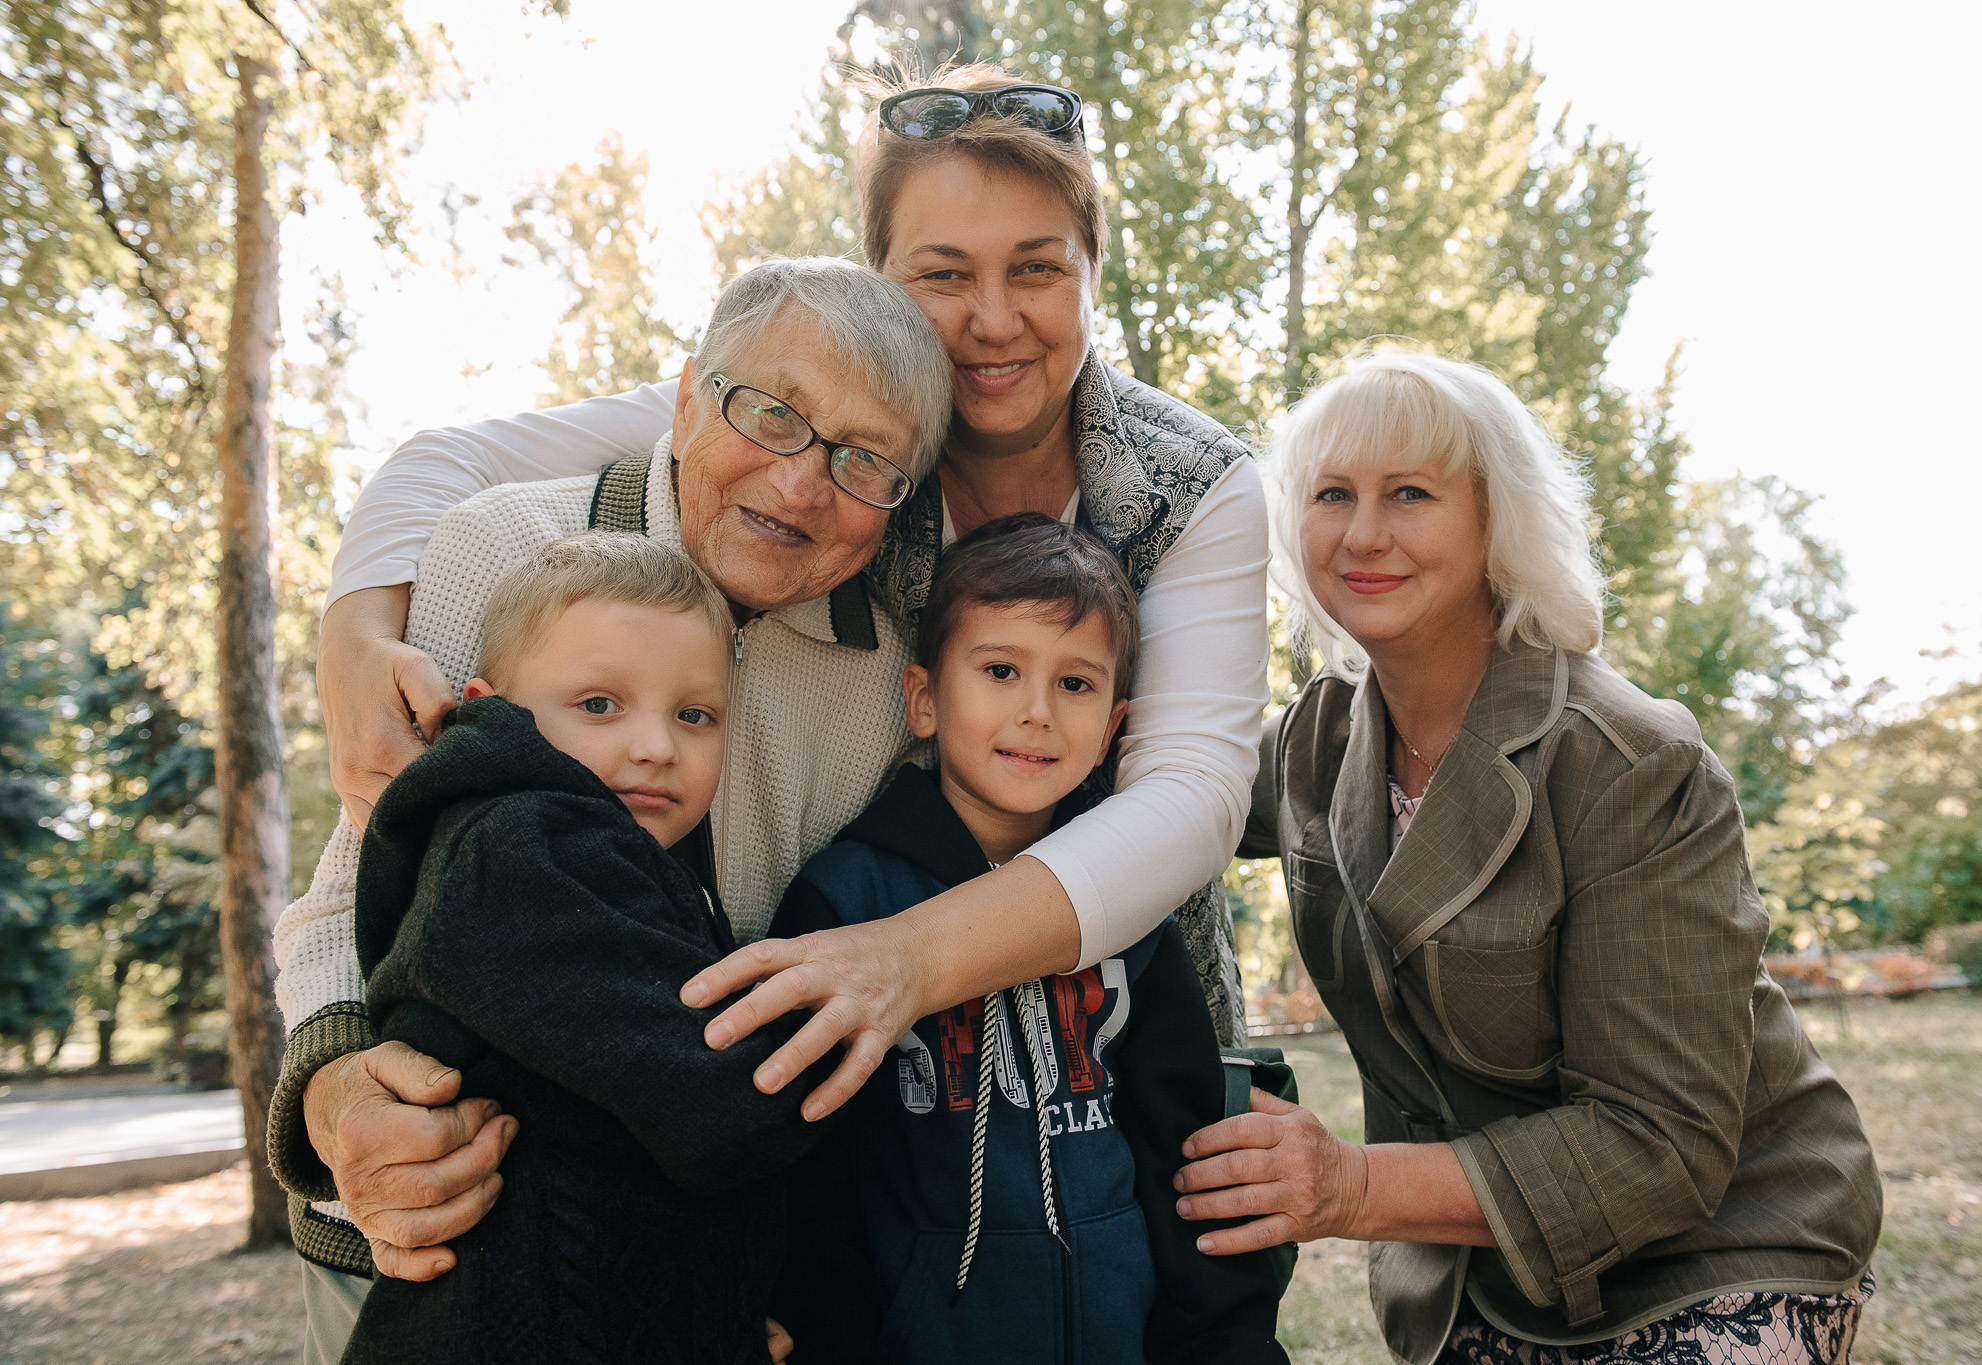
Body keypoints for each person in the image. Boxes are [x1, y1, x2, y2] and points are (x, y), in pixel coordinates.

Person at [283, 63, 1270, 1302]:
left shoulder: (1191, 487)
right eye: (940, 274)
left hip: (1077, 1039)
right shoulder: (768, 412)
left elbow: (1187, 801)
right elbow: (452, 467)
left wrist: (899, 962)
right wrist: (354, 629)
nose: (991, 319)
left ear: (1089, 272)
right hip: (496, 1217)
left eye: (1037, 266)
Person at [266, 256, 952, 1361]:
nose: (800, 484)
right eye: (772, 414)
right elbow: (361, 882)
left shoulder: (880, 685)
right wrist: (334, 1090)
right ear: (685, 398)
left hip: (670, 1265)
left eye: (865, 459)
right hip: (440, 1239)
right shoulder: (499, 550)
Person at [1167, 352, 1884, 1365]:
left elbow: (1660, 1144)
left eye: (1408, 493)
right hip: (1479, 1279)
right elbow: (1159, 800)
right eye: (1331, 494)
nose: (1362, 532)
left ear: (1493, 522)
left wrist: (1348, 1186)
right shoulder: (1317, 737)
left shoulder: (1630, 761)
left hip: (1720, 1250)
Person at [768, 516, 1287, 1365]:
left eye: (1075, 684)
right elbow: (814, 1180)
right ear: (925, 698)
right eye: (1001, 670)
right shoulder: (844, 904)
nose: (1037, 712)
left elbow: (1184, 1153)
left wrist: (1223, 1342)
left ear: (1116, 722)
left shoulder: (1132, 909)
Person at [343, 533, 826, 1364]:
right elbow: (725, 1101)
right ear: (490, 705)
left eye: (694, 714)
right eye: (600, 705)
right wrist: (868, 1015)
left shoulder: (598, 859)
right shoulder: (520, 851)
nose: (655, 746)